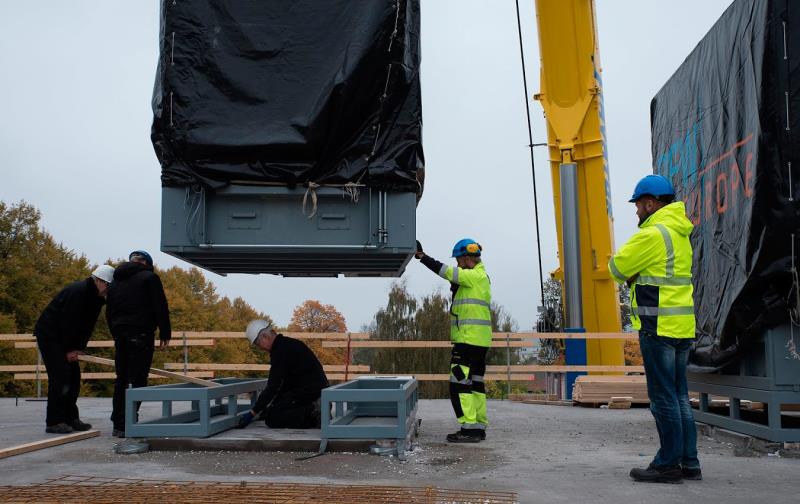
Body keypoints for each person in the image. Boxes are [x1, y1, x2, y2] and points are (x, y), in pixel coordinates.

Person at [608, 174, 700, 483]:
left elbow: (616, 268)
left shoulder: (651, 235)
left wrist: (632, 274)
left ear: (650, 203)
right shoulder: (679, 232)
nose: (636, 211)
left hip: (657, 327)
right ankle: (689, 462)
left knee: (663, 399)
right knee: (680, 397)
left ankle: (667, 464)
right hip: (682, 327)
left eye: (637, 205)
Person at [415, 238, 492, 443]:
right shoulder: (482, 276)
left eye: (459, 259)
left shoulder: (471, 276)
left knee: (459, 383)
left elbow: (446, 271)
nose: (457, 263)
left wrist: (423, 258)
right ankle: (478, 426)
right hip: (480, 342)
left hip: (467, 340)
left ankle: (468, 427)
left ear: (467, 258)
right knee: (476, 384)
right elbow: (455, 280)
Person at [33, 265, 115, 434]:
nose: (108, 290)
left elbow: (86, 327)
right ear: (98, 281)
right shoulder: (78, 293)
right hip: (51, 336)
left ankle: (71, 418)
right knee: (60, 377)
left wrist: (79, 348)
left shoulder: (96, 298)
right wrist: (69, 349)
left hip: (63, 338)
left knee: (74, 379)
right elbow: (68, 323)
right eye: (108, 286)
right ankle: (55, 421)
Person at [106, 250, 171, 437]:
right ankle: (129, 421)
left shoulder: (116, 280)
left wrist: (115, 332)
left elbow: (109, 310)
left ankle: (118, 423)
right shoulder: (149, 278)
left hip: (121, 333)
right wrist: (165, 332)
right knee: (139, 378)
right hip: (141, 333)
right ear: (146, 263)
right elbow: (160, 305)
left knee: (122, 378)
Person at [236, 320, 329, 429]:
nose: (260, 348)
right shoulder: (288, 345)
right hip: (312, 390)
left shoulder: (280, 352)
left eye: (258, 344)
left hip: (311, 393)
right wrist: (270, 406)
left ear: (265, 336)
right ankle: (313, 409)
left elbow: (272, 387)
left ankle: (313, 414)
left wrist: (253, 412)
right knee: (273, 410)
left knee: (273, 419)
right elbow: (284, 385)